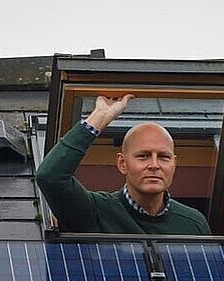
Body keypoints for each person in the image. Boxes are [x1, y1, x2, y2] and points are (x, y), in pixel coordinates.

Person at [36, 95, 211, 235]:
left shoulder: (194, 224)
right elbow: (50, 176)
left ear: (174, 164)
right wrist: (100, 117)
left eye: (164, 157)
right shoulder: (95, 212)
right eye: (143, 156)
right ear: (122, 164)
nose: (154, 165)